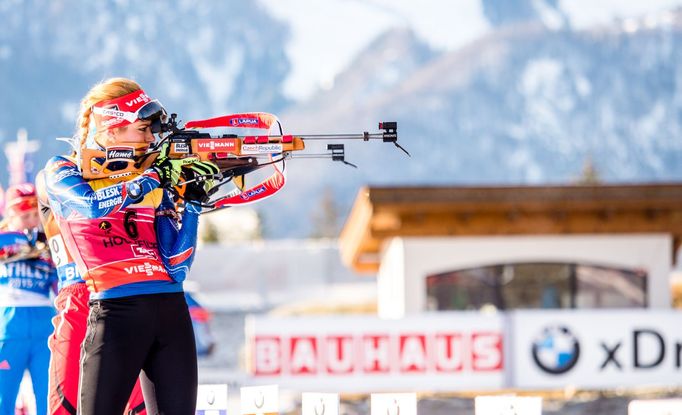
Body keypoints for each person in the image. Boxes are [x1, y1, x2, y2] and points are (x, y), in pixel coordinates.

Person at [43, 78, 218, 415]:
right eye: (143, 129)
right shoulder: (62, 169)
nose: (151, 138)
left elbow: (177, 267)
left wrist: (193, 204)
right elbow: (91, 204)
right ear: (111, 128)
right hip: (115, 311)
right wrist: (149, 180)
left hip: (171, 309)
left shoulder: (153, 176)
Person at [35, 170, 147, 415]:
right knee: (64, 404)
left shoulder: (129, 177)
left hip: (120, 294)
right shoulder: (54, 174)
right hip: (77, 297)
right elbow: (50, 186)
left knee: (140, 404)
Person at [0, 183, 57, 415]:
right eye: (25, 215)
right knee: (5, 396)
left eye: (36, 214)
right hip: (10, 324)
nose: (32, 220)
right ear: (10, 214)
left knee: (48, 395)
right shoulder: (3, 239)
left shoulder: (49, 241)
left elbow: (59, 284)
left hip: (45, 324)